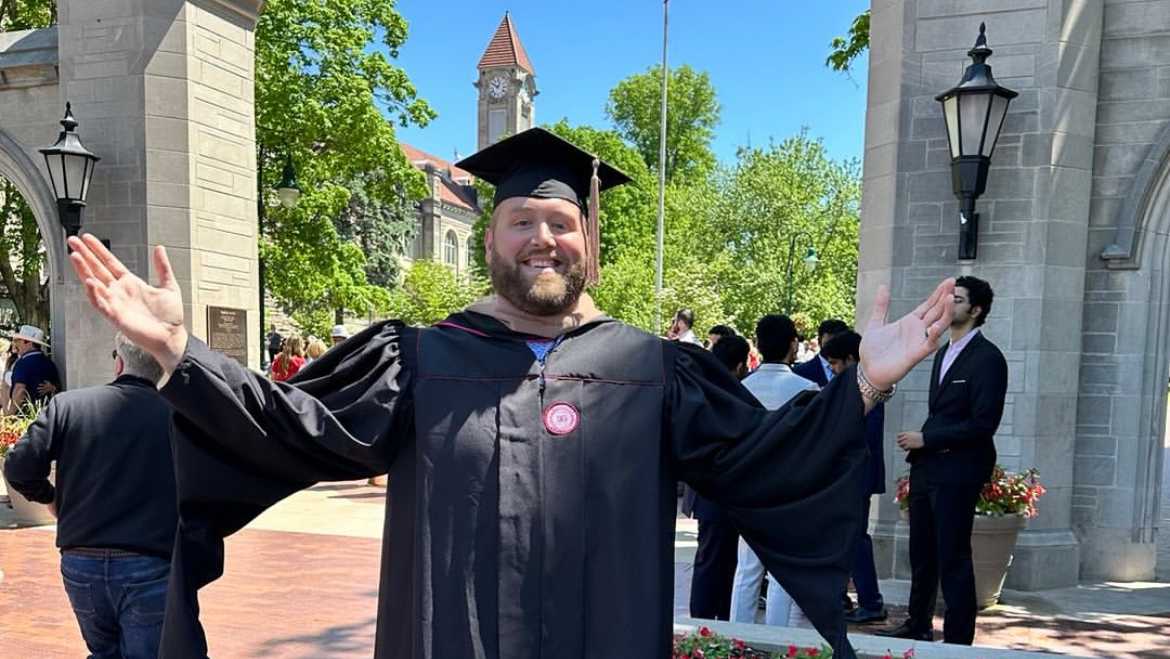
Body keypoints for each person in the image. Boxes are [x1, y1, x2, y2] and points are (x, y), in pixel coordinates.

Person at [67, 126, 955, 659]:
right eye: (521, 220)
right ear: (491, 236)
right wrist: (179, 349)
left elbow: (767, 460)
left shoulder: (652, 370)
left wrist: (866, 381)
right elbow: (292, 423)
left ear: (588, 239)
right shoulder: (417, 359)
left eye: (561, 222)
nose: (543, 239)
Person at [3, 333, 176, 658]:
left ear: (119, 362)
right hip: (150, 560)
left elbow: (18, 467)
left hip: (82, 558)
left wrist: (51, 498)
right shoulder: (177, 417)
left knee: (103, 651)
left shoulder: (69, 406)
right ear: (161, 369)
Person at [877, 276, 1007, 645]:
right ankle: (918, 623)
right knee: (922, 553)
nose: (949, 305)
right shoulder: (941, 351)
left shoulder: (989, 359)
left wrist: (927, 437)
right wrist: (922, 447)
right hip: (928, 468)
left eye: (958, 299)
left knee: (953, 556)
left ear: (976, 310)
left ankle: (958, 640)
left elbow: (984, 424)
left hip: (959, 471)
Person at [729, 314, 821, 628]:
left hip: (748, 486)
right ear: (792, 344)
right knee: (781, 571)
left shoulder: (743, 386)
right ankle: (777, 640)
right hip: (789, 488)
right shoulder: (807, 388)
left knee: (747, 569)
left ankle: (736, 636)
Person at [821, 331, 888, 624]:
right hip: (848, 475)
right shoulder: (856, 382)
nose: (833, 369)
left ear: (851, 359)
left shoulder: (869, 385)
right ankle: (844, 597)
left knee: (856, 538)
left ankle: (870, 601)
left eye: (836, 363)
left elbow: (862, 435)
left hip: (856, 475)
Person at [686, 334, 749, 621]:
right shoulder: (729, 395)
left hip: (710, 493)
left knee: (715, 560)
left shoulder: (700, 390)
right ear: (739, 365)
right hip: (722, 492)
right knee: (718, 561)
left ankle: (714, 618)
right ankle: (707, 619)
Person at [6, 324, 61, 414]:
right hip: (47, 416)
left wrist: (9, 415)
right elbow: (58, 388)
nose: (16, 344)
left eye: (18, 340)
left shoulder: (23, 363)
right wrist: (53, 388)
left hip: (25, 417)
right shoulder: (49, 363)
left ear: (28, 342)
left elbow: (20, 391)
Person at [793, 318, 850, 386]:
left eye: (839, 344)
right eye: (829, 343)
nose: (834, 348)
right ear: (819, 341)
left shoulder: (855, 372)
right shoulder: (799, 372)